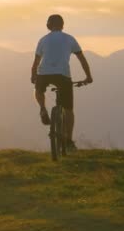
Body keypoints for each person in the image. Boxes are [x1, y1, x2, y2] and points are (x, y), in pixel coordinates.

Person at [31, 14, 93, 150]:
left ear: (48, 26)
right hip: (63, 75)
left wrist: (33, 75)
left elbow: (36, 62)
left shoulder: (43, 40)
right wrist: (88, 77)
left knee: (38, 89)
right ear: (62, 25)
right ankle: (69, 141)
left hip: (44, 74)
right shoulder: (70, 39)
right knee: (69, 110)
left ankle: (42, 108)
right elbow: (82, 59)